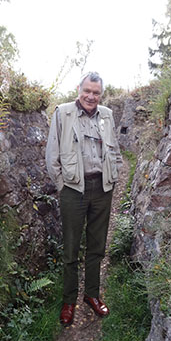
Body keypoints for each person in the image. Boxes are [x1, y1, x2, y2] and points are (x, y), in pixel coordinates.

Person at [45, 71, 122, 326]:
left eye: (96, 93)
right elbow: (52, 154)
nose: (91, 96)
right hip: (73, 189)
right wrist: (62, 186)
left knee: (97, 246)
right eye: (87, 91)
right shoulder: (63, 113)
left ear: (101, 94)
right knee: (71, 247)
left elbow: (115, 149)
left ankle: (91, 294)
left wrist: (114, 176)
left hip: (102, 188)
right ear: (79, 89)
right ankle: (69, 300)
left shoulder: (107, 115)